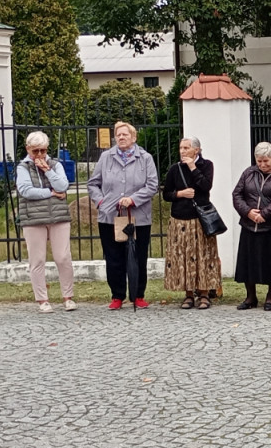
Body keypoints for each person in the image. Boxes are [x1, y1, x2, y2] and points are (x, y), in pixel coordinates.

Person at [87, 121, 159, 310]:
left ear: (133, 137)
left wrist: (133, 199)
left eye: (125, 134)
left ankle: (138, 295)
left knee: (138, 256)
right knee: (114, 257)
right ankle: (117, 296)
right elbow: (93, 184)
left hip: (138, 217)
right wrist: (101, 202)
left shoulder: (145, 158)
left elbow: (152, 185)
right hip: (109, 216)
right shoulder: (106, 157)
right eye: (118, 135)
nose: (120, 137)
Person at [231, 142, 271, 311]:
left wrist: (265, 214)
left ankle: (270, 296)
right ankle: (250, 297)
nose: (262, 164)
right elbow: (237, 194)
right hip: (249, 224)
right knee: (248, 263)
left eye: (265, 161)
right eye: (259, 161)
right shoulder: (248, 173)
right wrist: (248, 212)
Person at [15, 131, 76, 313]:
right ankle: (42, 299)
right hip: (33, 219)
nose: (40, 155)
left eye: (43, 150)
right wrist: (51, 194)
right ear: (28, 149)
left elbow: (63, 186)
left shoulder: (54, 165)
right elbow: (26, 191)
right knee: (37, 259)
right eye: (36, 151)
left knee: (63, 257)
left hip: (58, 217)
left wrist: (47, 171)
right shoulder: (23, 168)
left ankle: (68, 297)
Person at [162, 137, 221, 309]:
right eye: (181, 147)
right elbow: (166, 194)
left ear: (197, 150)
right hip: (180, 219)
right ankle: (188, 294)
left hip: (199, 219)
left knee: (202, 256)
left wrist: (193, 168)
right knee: (183, 257)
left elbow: (205, 186)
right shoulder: (175, 169)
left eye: (186, 148)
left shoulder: (206, 165)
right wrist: (180, 194)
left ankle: (204, 293)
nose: (182, 151)